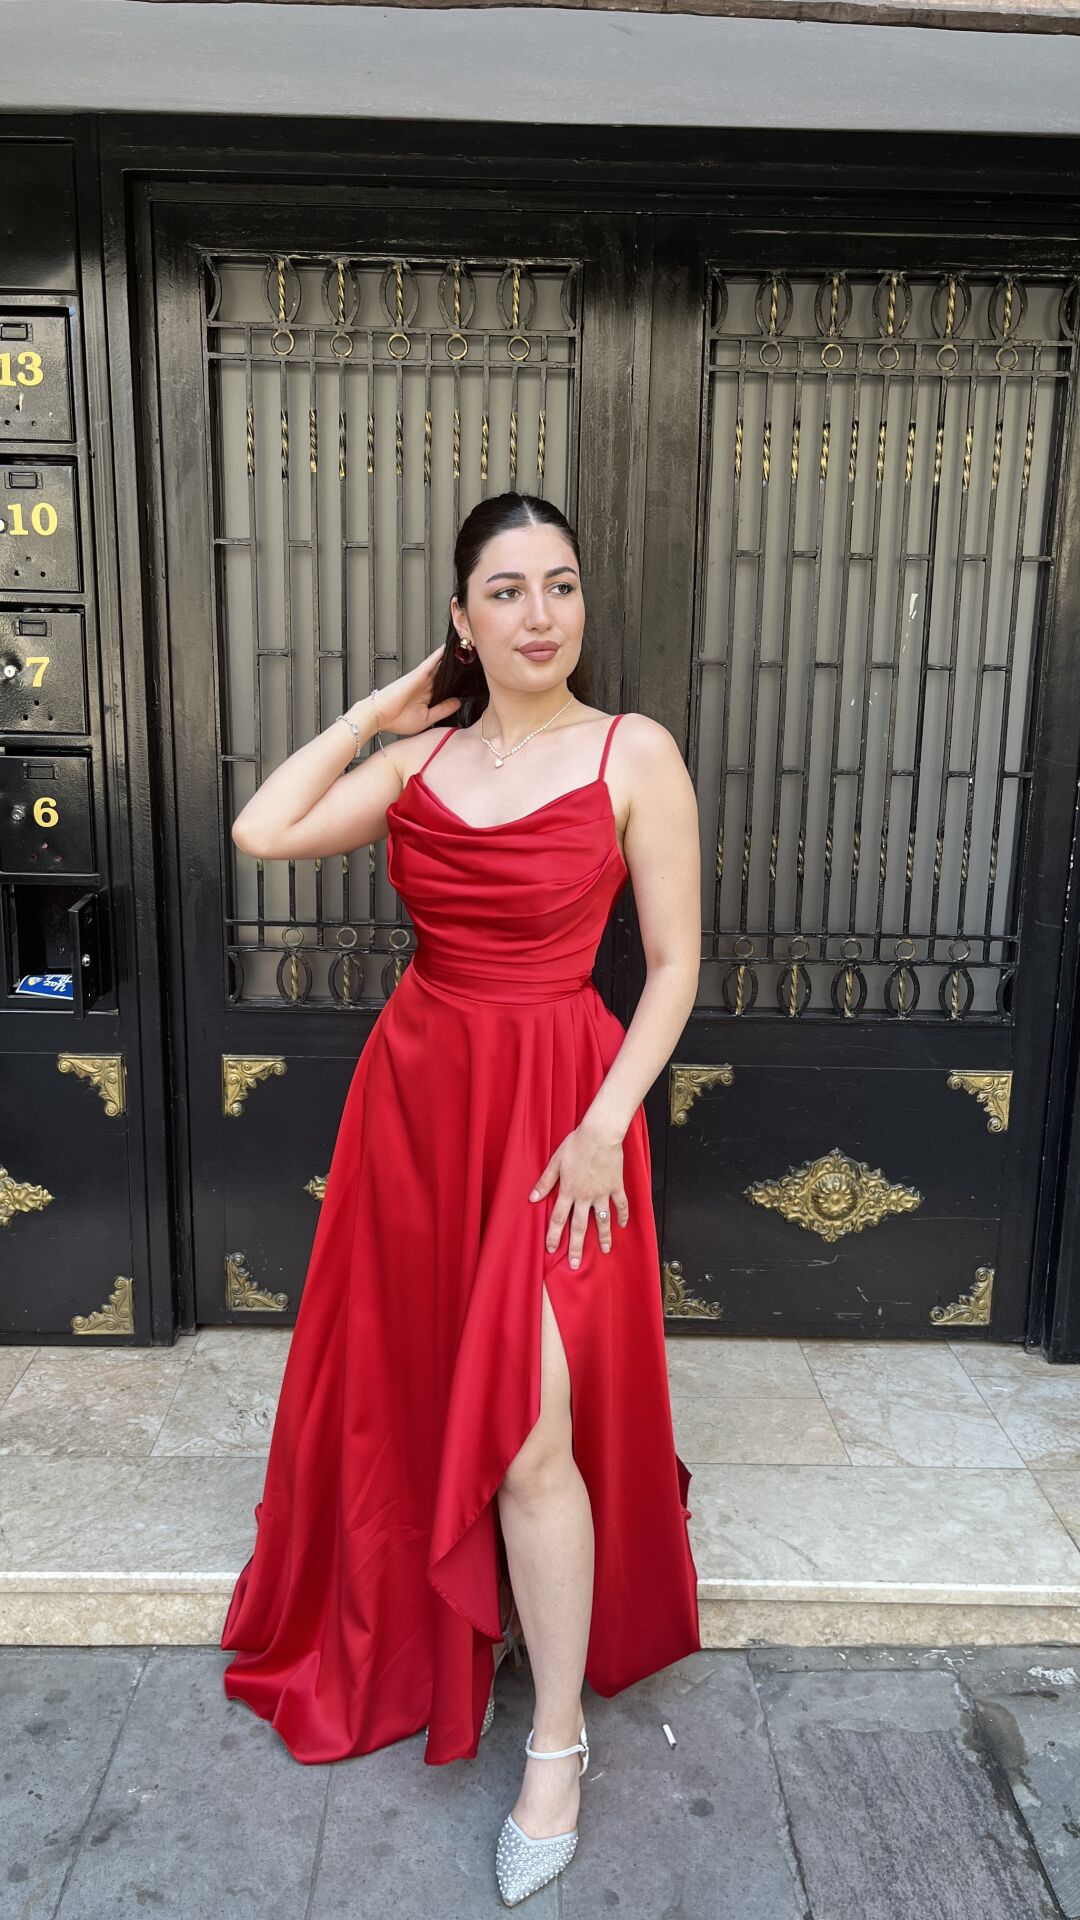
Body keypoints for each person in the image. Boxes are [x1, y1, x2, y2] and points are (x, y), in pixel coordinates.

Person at [220, 490, 703, 1907]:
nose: (541, 615)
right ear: (463, 618)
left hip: (565, 1114)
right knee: (436, 1386)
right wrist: (380, 714)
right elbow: (261, 829)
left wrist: (608, 1125)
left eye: (561, 585)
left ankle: (554, 1743)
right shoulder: (418, 762)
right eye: (506, 590)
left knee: (533, 1431)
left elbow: (675, 965)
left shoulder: (632, 752)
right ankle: (474, 1630)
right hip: (423, 1102)